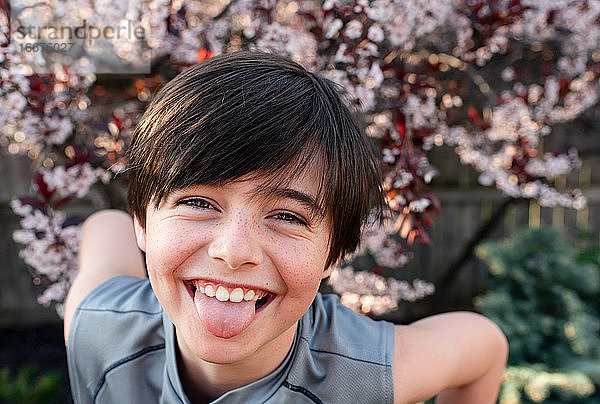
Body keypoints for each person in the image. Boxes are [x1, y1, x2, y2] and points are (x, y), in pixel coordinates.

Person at [64, 51, 508, 404]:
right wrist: (113, 223)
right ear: (143, 222)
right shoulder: (99, 329)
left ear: (333, 252)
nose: (233, 251)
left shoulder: (366, 372)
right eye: (197, 202)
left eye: (288, 216)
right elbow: (106, 226)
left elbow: (483, 345)